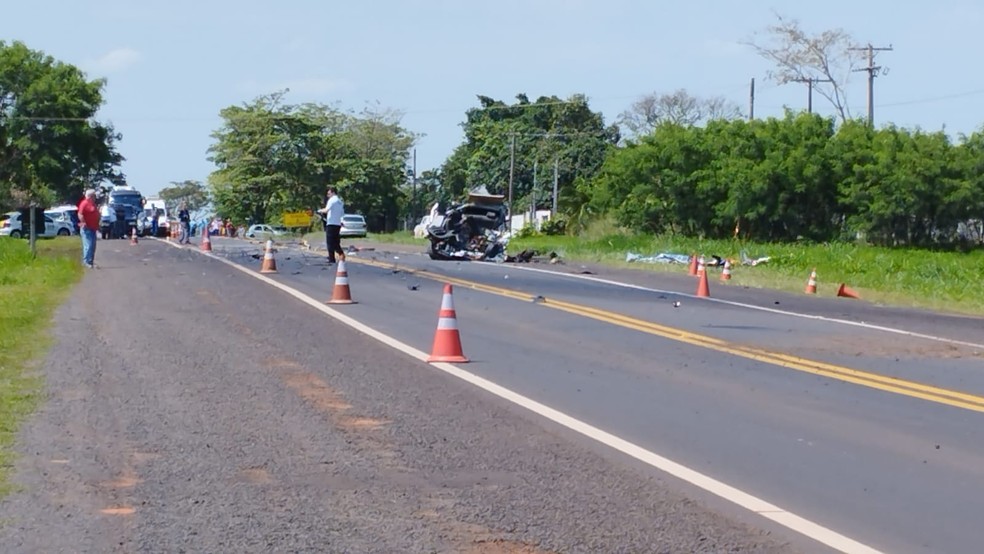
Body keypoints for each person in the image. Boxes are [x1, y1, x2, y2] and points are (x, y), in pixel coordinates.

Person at [317, 186, 346, 264]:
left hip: (331, 223)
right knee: (336, 242)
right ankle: (341, 254)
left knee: (329, 242)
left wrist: (319, 211)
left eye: (329, 192)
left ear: (333, 192)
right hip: (337, 224)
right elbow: (342, 214)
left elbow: (326, 210)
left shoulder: (332, 200)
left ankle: (331, 258)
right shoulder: (340, 201)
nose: (327, 194)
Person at [77, 189, 100, 268]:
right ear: (90, 196)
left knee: (93, 246)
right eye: (94, 196)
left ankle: (90, 262)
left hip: (93, 228)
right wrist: (83, 222)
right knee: (88, 245)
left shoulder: (92, 204)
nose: (95, 198)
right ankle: (86, 261)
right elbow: (80, 214)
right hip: (87, 228)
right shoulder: (84, 203)